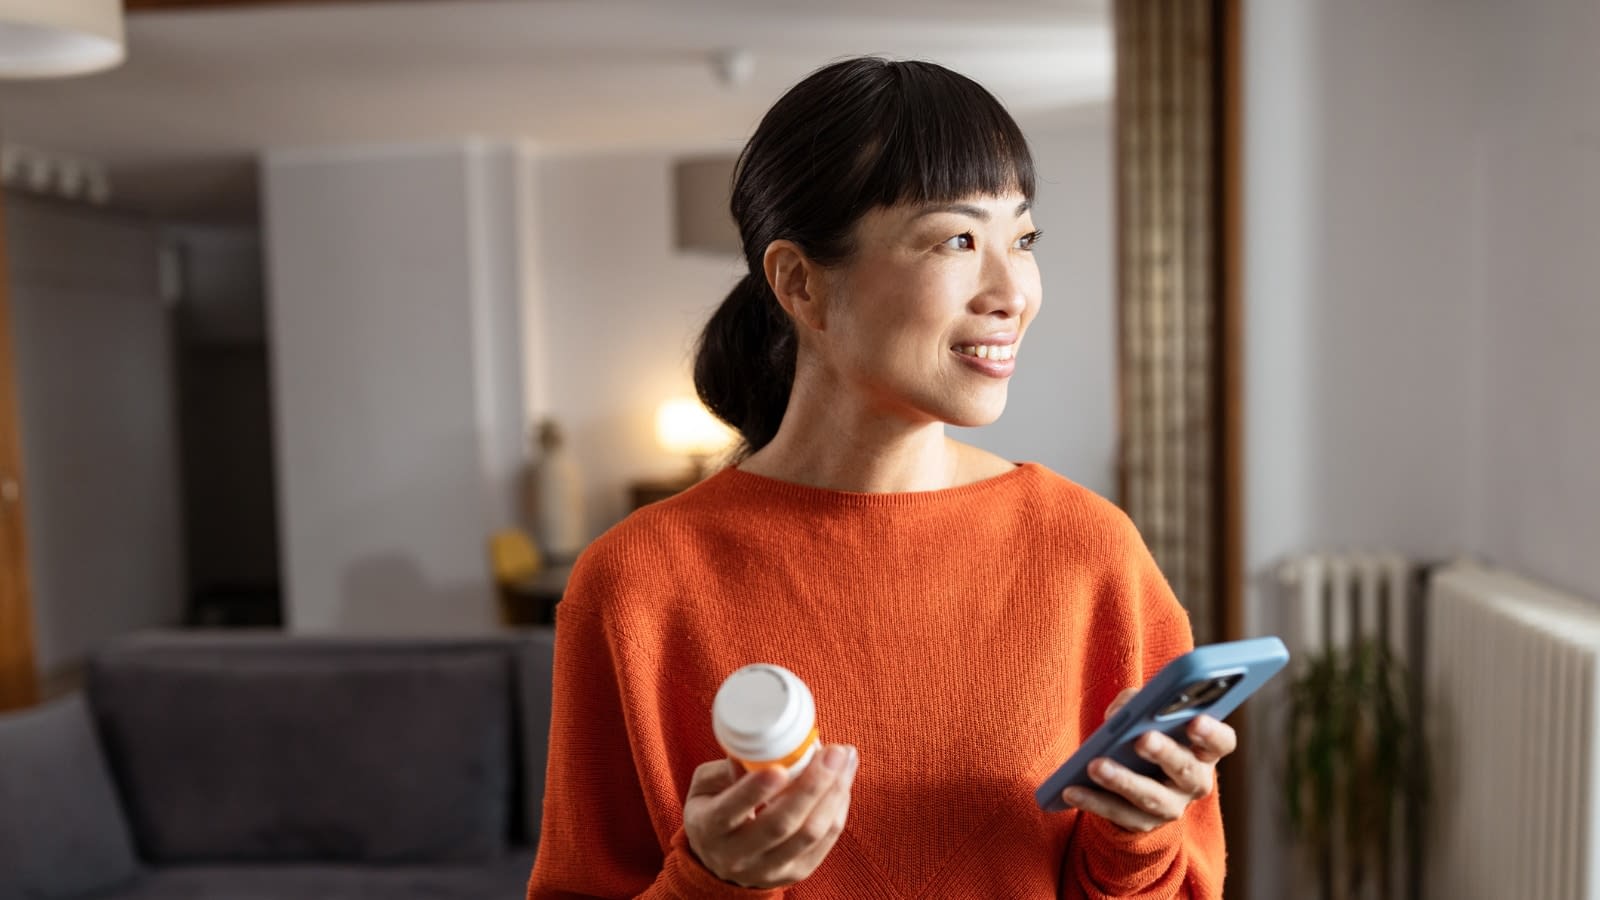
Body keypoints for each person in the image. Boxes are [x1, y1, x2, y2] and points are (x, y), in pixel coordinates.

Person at [525, 56, 1230, 899]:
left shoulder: (1089, 551)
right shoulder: (635, 583)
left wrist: (1138, 839)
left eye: (1024, 239)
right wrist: (711, 883)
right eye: (958, 239)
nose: (1014, 291)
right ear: (799, 284)